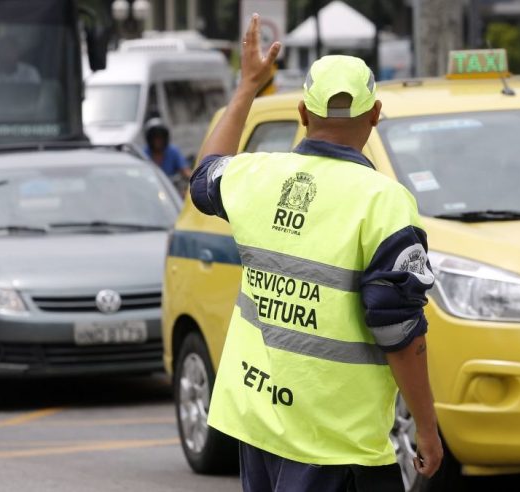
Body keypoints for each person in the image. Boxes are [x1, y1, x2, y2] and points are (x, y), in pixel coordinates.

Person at [190, 14, 443, 492]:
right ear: (375, 115)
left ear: (302, 115)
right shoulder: (384, 202)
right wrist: (427, 429)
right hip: (336, 442)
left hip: (258, 422)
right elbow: (398, 330)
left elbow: (204, 177)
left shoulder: (255, 177)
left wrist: (247, 87)